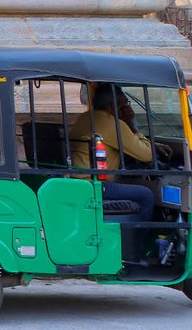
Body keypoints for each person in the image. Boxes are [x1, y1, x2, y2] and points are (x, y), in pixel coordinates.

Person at [68, 83, 173, 260]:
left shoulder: (85, 118)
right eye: (125, 104)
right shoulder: (113, 124)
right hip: (94, 186)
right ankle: (134, 252)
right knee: (146, 195)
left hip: (79, 182)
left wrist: (149, 143)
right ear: (113, 106)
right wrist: (131, 124)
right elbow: (146, 155)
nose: (127, 108)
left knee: (130, 186)